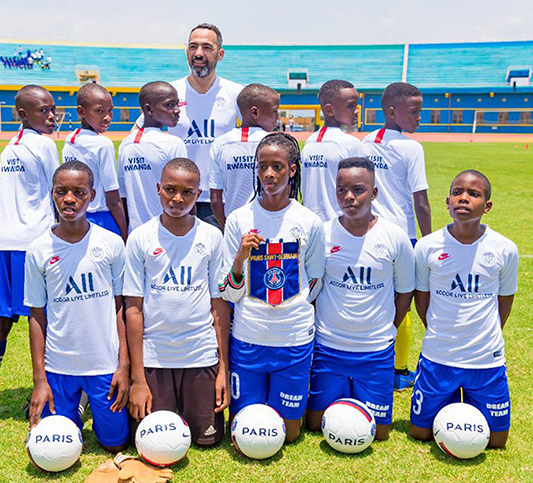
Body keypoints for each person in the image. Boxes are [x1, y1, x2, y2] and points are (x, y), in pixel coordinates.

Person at [218, 133, 325, 443]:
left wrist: (293, 313)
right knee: (244, 429)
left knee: (289, 435)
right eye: (262, 166)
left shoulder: (308, 221)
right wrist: (240, 258)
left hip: (292, 340)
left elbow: (314, 281)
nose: (268, 174)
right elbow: (229, 291)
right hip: (249, 338)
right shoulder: (239, 219)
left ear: (292, 170)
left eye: (277, 167)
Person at [305, 157, 415, 442]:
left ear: (374, 193)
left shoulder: (394, 236)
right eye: (341, 189)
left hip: (375, 351)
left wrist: (390, 328)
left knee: (381, 432)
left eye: (358, 189)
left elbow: (405, 291)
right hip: (329, 348)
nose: (348, 197)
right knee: (316, 424)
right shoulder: (324, 233)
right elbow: (314, 289)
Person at [0, 85, 60, 424]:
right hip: (36, 246)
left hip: (7, 246)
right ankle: (51, 396)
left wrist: (1, 231)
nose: (51, 116)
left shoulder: (11, 147)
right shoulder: (45, 145)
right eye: (43, 111)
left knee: (1, 319)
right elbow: (59, 190)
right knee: (45, 320)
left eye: (53, 109)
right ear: (22, 114)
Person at [124, 158, 230, 447]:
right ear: (158, 188)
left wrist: (223, 369)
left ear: (198, 195)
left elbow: (218, 305)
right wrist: (138, 379)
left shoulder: (211, 236)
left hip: (200, 354)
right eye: (170, 190)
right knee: (151, 440)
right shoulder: (140, 238)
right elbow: (133, 309)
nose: (177, 199)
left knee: (207, 440)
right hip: (155, 357)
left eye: (187, 192)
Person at [25, 160, 130, 453]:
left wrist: (123, 365)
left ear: (92, 195)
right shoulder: (38, 250)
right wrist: (39, 380)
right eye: (61, 192)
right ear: (53, 194)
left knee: (115, 444)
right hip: (59, 367)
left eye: (79, 192)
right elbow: (36, 315)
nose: (69, 199)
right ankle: (76, 407)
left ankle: (90, 407)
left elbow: (120, 306)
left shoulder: (110, 243)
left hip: (104, 364)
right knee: (53, 448)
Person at [409, 170, 518, 449]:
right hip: (438, 357)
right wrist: (438, 329)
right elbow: (422, 299)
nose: (464, 198)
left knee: (496, 441)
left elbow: (504, 302)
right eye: (457, 192)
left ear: (487, 206)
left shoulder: (505, 249)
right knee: (420, 433)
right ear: (447, 201)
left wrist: (486, 335)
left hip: (485, 361)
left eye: (474, 194)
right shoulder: (427, 247)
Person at [132, 23, 244, 229]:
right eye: (193, 47)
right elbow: (137, 135)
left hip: (219, 199)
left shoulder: (236, 93)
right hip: (175, 198)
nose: (199, 53)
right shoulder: (168, 92)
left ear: (220, 54)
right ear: (186, 52)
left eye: (207, 47)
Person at [359, 81, 432, 390]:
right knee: (405, 300)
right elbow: (421, 200)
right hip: (403, 236)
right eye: (414, 112)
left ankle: (367, 358)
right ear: (392, 111)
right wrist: (429, 243)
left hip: (369, 232)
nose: (419, 117)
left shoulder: (365, 143)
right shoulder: (411, 148)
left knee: (372, 297)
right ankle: (399, 371)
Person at [62, 82, 129, 242]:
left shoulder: (70, 140)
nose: (107, 117)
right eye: (99, 111)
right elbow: (112, 197)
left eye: (110, 111)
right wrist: (125, 233)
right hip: (102, 219)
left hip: (75, 219)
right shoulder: (102, 144)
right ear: (81, 112)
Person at [118, 81, 188, 234]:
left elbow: (122, 196)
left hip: (135, 233)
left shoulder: (126, 144)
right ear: (148, 110)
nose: (177, 110)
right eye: (169, 105)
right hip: (168, 232)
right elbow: (184, 193)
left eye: (177, 104)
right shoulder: (172, 143)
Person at [209, 83, 280, 230]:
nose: (277, 118)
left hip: (235, 226)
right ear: (254, 113)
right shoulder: (275, 144)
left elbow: (216, 199)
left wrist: (226, 228)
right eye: (274, 112)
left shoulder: (220, 144)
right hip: (271, 225)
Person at [300, 79, 364, 222]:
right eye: (351, 106)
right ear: (329, 110)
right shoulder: (351, 144)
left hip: (309, 224)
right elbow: (362, 189)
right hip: (340, 225)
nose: (357, 111)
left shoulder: (309, 142)